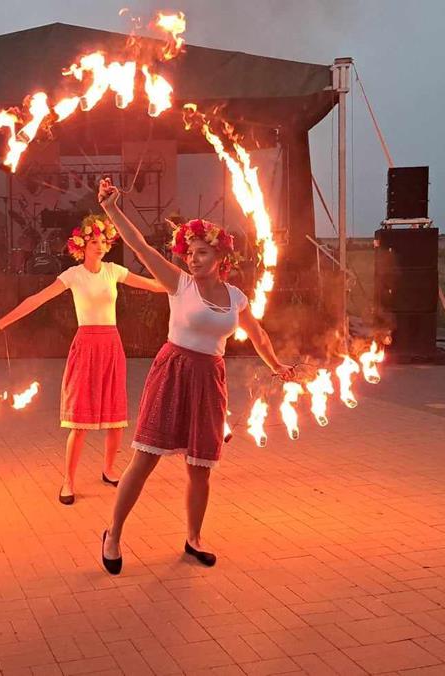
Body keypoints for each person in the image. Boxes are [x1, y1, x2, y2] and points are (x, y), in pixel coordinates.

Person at [96, 178, 295, 575]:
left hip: (209, 380)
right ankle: (113, 533)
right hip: (173, 372)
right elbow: (141, 246)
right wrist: (111, 209)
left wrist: (276, 365)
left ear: (220, 256)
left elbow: (258, 334)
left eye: (202, 252)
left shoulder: (236, 297)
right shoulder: (179, 283)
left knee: (200, 468)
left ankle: (194, 538)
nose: (193, 259)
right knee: (145, 459)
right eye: (190, 252)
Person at [0, 215, 164, 506]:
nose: (100, 246)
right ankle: (68, 479)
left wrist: (188, 283)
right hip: (86, 344)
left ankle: (108, 469)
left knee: (116, 419)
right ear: (82, 246)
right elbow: (37, 299)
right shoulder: (73, 275)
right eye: (94, 242)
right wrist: (2, 322)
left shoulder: (114, 271)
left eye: (103, 241)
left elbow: (153, 285)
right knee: (79, 421)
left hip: (111, 344)